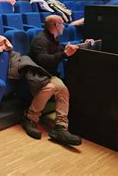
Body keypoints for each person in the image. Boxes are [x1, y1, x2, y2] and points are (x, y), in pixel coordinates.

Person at [22, 15, 82, 146]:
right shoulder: (40, 40)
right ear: (55, 25)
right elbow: (44, 60)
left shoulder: (54, 39)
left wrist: (80, 45)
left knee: (63, 89)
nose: (64, 26)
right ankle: (30, 118)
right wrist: (65, 54)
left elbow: (60, 51)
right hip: (36, 74)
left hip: (48, 75)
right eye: (62, 24)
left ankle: (60, 128)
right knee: (50, 88)